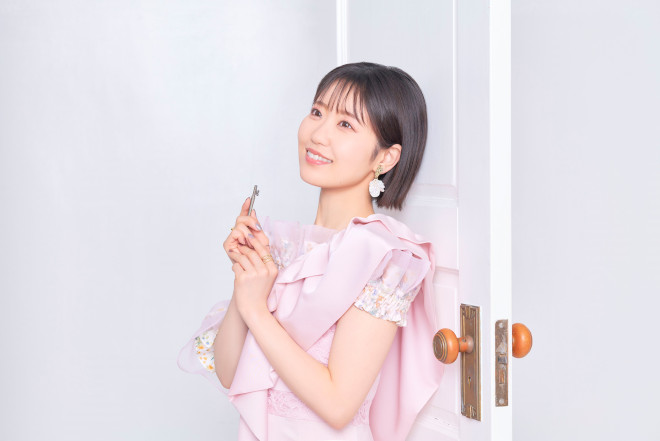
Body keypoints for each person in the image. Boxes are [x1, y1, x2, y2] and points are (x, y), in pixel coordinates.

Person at [178, 62, 444, 441]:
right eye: (317, 112)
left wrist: (257, 310)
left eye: (345, 124)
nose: (317, 134)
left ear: (385, 158)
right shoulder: (282, 245)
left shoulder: (382, 258)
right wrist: (246, 280)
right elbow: (229, 372)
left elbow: (338, 406)